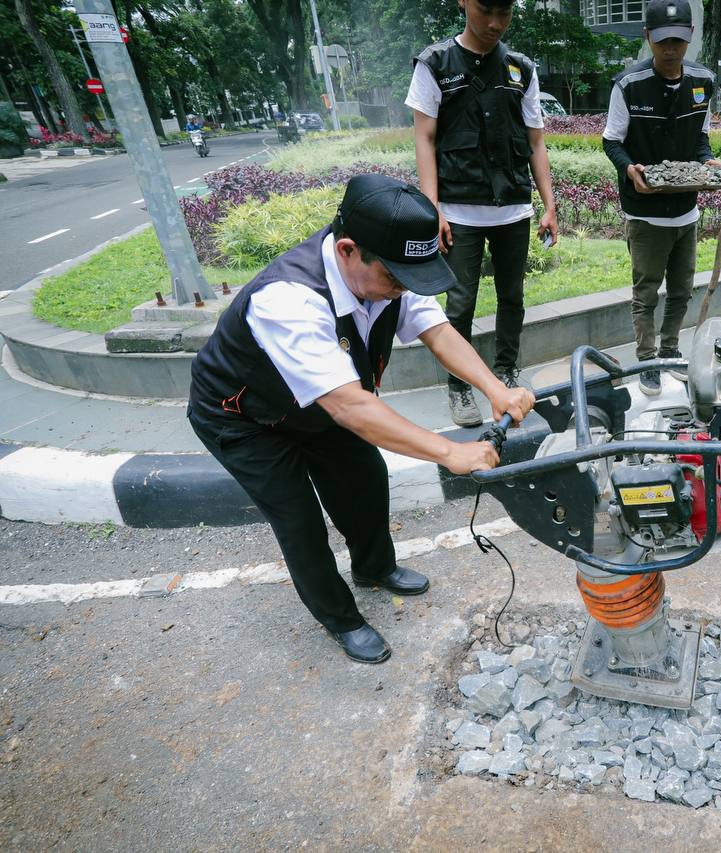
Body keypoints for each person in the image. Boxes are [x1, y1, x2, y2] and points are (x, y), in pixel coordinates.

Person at [187, 174, 534, 664]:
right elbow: (350, 407)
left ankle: (374, 568)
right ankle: (341, 619)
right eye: (396, 279)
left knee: (365, 478)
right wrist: (449, 452)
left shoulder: (392, 268)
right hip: (246, 417)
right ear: (348, 251)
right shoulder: (288, 300)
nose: (403, 290)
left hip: (322, 404)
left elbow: (437, 331)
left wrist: (495, 389)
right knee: (299, 520)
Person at [407, 0, 558, 427]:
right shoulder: (435, 64)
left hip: (513, 208)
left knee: (513, 298)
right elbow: (424, 138)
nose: (494, 23)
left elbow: (536, 141)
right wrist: (432, 208)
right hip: (459, 210)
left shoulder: (521, 68)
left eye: (504, 13)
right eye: (485, 10)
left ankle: (506, 370)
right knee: (459, 305)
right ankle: (459, 386)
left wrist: (549, 204)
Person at [602, 0, 721, 396]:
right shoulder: (629, 85)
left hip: (686, 210)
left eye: (678, 41)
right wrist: (630, 169)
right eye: (662, 42)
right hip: (645, 212)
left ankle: (670, 350)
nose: (670, 50)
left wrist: (707, 162)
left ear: (690, 37)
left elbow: (701, 138)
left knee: (682, 289)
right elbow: (611, 141)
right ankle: (646, 359)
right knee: (646, 291)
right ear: (648, 38)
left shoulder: (703, 81)